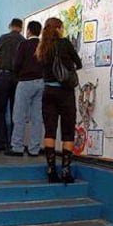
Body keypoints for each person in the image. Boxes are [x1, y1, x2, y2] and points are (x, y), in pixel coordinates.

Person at [35, 17, 82, 183]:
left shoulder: (42, 47)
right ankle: (66, 171)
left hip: (48, 90)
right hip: (65, 92)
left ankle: (50, 169)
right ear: (59, 28)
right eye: (62, 27)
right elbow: (79, 63)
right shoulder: (64, 43)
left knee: (50, 129)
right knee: (68, 130)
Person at [5, 21, 43, 157]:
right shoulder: (43, 46)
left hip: (25, 82)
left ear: (28, 31)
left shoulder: (24, 44)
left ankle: (17, 147)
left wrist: (17, 77)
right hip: (41, 83)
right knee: (37, 117)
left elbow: (17, 64)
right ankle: (34, 149)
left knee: (19, 115)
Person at [0, 18, 25, 153]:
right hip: (18, 78)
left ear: (10, 26)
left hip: (4, 75)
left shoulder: (3, 38)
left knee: (0, 110)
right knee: (15, 111)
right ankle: (14, 143)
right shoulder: (23, 41)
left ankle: (0, 142)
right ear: (21, 27)